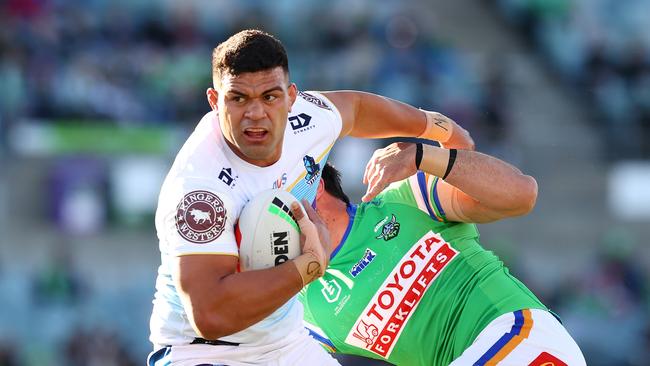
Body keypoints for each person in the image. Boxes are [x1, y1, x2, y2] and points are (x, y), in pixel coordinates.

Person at [147, 29, 474, 365]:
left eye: (270, 97)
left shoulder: (307, 119)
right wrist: (307, 268)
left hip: (285, 342)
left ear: (291, 97)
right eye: (238, 98)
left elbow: (357, 109)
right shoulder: (199, 189)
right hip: (203, 352)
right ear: (216, 102)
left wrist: (438, 127)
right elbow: (210, 315)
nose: (256, 113)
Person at [300, 144, 587, 366]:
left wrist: (424, 156)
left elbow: (522, 194)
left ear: (316, 187)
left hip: (522, 336)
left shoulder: (405, 199)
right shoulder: (304, 307)